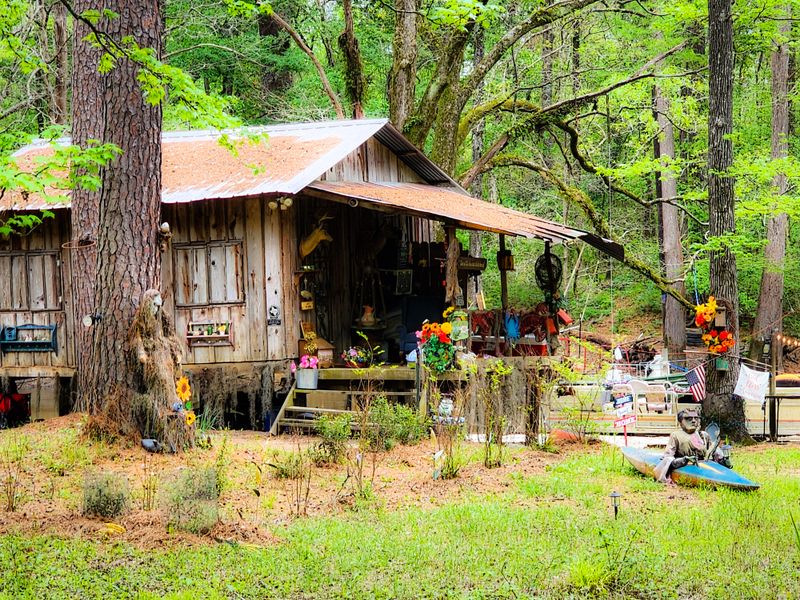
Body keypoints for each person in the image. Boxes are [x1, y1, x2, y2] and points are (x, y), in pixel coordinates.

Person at [654, 408, 731, 483]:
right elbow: (667, 458)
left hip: (703, 466)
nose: (693, 421)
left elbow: (713, 451)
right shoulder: (676, 436)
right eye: (689, 418)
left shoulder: (703, 435)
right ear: (680, 422)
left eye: (696, 418)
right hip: (686, 466)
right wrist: (683, 460)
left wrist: (722, 460)